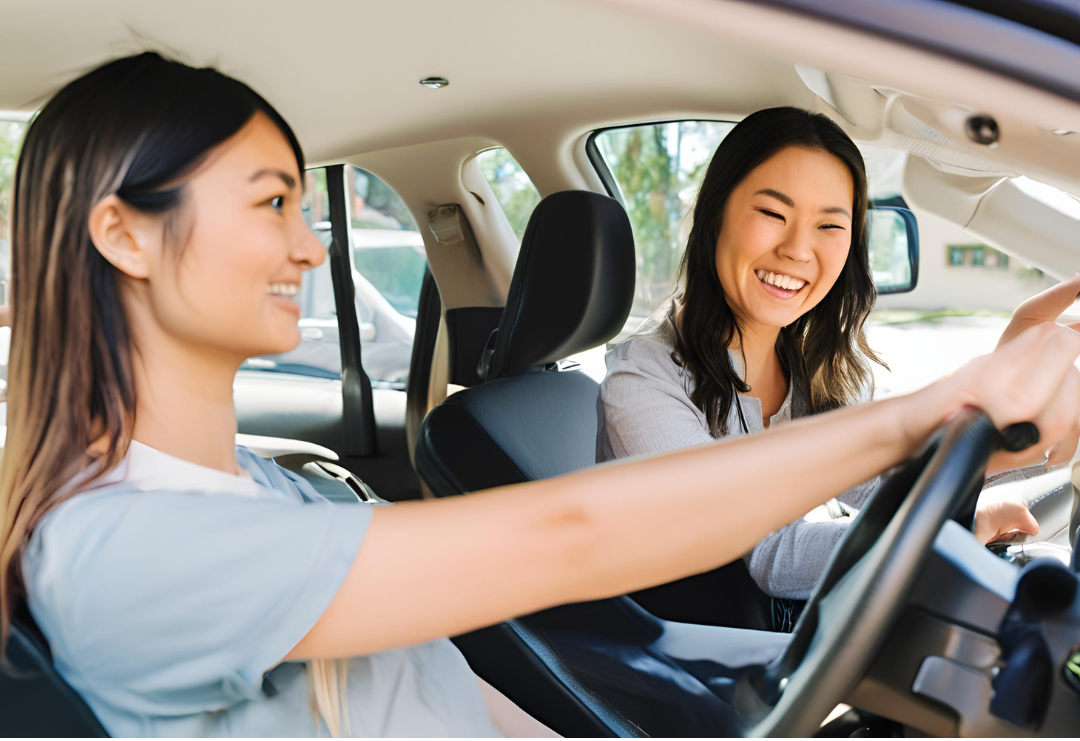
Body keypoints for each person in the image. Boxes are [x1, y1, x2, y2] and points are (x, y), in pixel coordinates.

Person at [1, 54, 1078, 738]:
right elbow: (572, 536)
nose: (308, 240)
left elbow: (448, 692)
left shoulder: (278, 493)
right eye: (277, 200)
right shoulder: (123, 549)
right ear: (124, 233)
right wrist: (943, 407)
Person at [597, 107, 1076, 605]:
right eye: (772, 214)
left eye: (829, 225)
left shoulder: (811, 360)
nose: (799, 250)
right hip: (685, 653)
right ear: (715, 216)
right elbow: (769, 555)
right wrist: (954, 524)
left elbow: (879, 484)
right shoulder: (643, 381)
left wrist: (1025, 407)